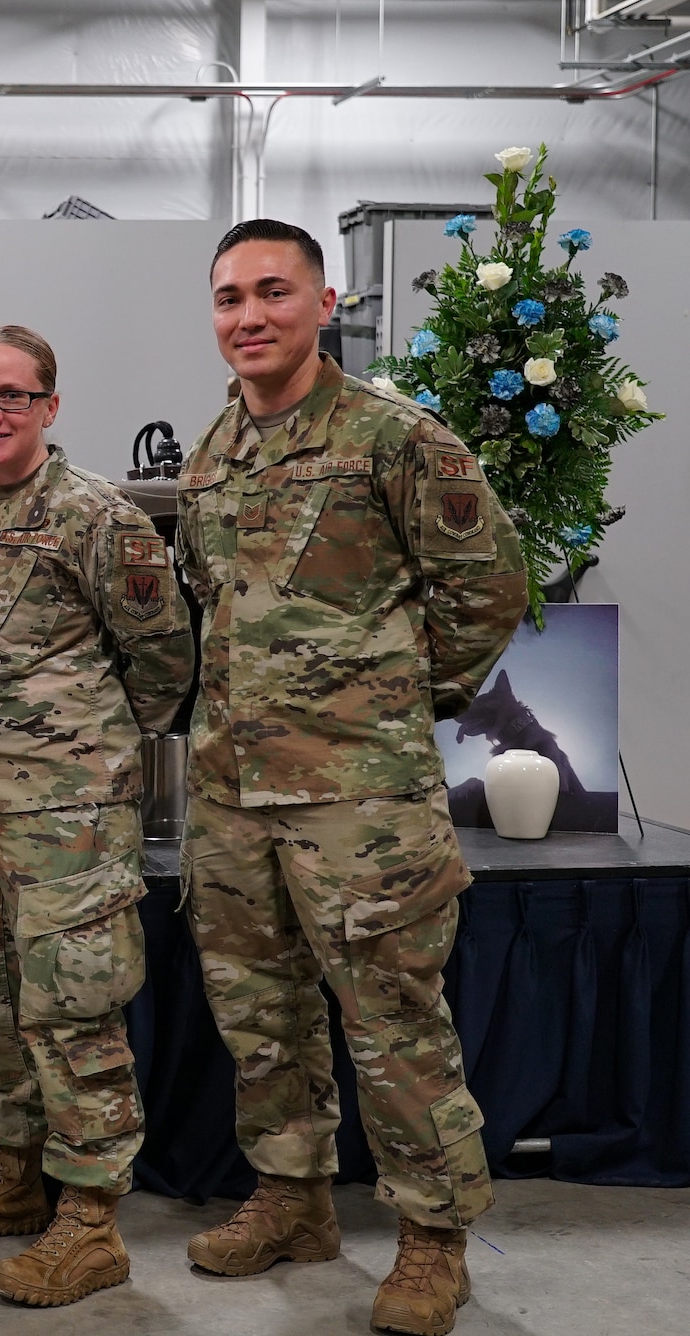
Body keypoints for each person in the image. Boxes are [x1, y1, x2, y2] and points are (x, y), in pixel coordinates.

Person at [176, 220, 526, 1336]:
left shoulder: (392, 438)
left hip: (359, 808)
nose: (248, 316)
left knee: (391, 1021)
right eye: (229, 297)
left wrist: (390, 706)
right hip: (233, 793)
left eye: (271, 292)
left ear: (323, 304)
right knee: (259, 1015)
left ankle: (432, 1237)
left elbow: (486, 589)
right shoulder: (214, 450)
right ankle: (291, 1196)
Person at [0, 326, 194, 1305]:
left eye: (10, 396)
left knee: (73, 1014)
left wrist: (89, 757)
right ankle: (10, 1175)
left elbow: (162, 661)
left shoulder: (96, 518)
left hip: (64, 819)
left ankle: (88, 1218)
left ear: (49, 406)